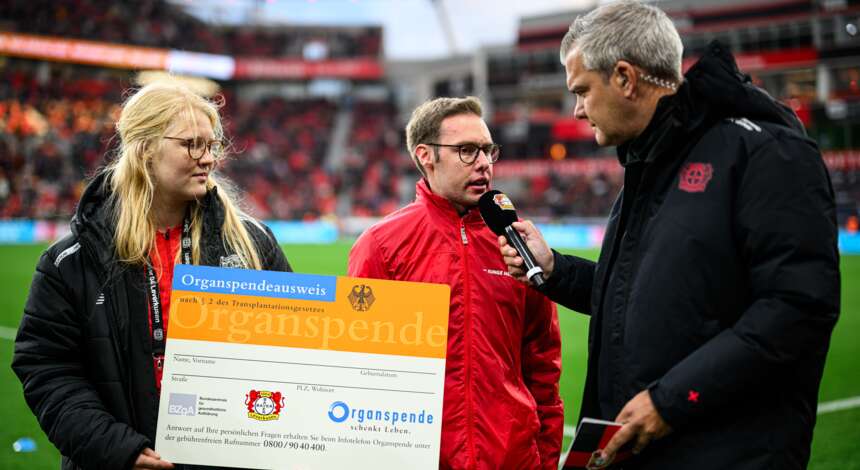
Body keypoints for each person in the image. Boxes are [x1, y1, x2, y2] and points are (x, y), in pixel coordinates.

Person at [498, 2, 840, 469]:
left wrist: (670, 401)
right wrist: (556, 271)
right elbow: (648, 298)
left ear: (625, 78)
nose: (577, 110)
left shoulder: (765, 153)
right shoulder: (649, 166)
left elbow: (797, 309)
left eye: (582, 90)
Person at [12, 81, 291, 470]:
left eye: (211, 145)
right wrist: (115, 448)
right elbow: (47, 369)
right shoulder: (72, 261)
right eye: (191, 145)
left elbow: (290, 353)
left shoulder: (252, 243)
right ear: (145, 149)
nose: (208, 158)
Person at [348, 96, 563, 470]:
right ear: (426, 156)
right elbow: (360, 372)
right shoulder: (380, 246)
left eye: (488, 151)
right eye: (466, 150)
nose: (483, 163)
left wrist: (543, 461)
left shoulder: (519, 246)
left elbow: (543, 367)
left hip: (512, 461)